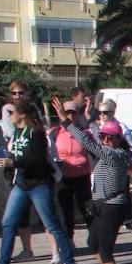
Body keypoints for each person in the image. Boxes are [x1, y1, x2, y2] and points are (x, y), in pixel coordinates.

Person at [0, 100, 77, 264]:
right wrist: (7, 162)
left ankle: (69, 262)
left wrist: (13, 162)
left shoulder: (36, 133)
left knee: (51, 224)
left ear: (22, 113)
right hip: (22, 184)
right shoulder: (17, 133)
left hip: (39, 184)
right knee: (8, 222)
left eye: (12, 113)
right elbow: (17, 156)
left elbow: (37, 160)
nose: (9, 116)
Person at [54, 96, 132, 264]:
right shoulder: (109, 147)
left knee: (105, 250)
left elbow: (88, 141)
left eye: (110, 137)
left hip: (112, 206)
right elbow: (96, 135)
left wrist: (65, 121)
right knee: (93, 243)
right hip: (102, 204)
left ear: (118, 139)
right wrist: (89, 120)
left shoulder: (114, 154)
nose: (105, 139)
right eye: (105, 137)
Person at [51, 100, 92, 236]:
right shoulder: (54, 132)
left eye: (73, 114)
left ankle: (95, 237)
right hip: (63, 176)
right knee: (65, 210)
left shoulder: (84, 133)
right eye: (67, 113)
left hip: (81, 175)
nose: (70, 117)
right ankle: (68, 239)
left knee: (86, 207)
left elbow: (94, 151)